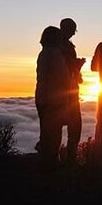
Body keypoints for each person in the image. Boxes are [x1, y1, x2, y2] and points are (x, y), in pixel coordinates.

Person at [35, 26, 70, 166]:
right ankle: (52, 164)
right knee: (54, 134)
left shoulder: (43, 53)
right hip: (54, 100)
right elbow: (62, 78)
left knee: (46, 132)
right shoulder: (55, 55)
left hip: (42, 98)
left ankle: (45, 160)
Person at [60, 18, 86, 164]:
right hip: (67, 91)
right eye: (73, 30)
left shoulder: (55, 45)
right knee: (75, 125)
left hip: (62, 91)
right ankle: (70, 158)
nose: (73, 34)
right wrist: (79, 66)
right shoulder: (65, 47)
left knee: (57, 126)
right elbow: (68, 69)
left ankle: (59, 158)